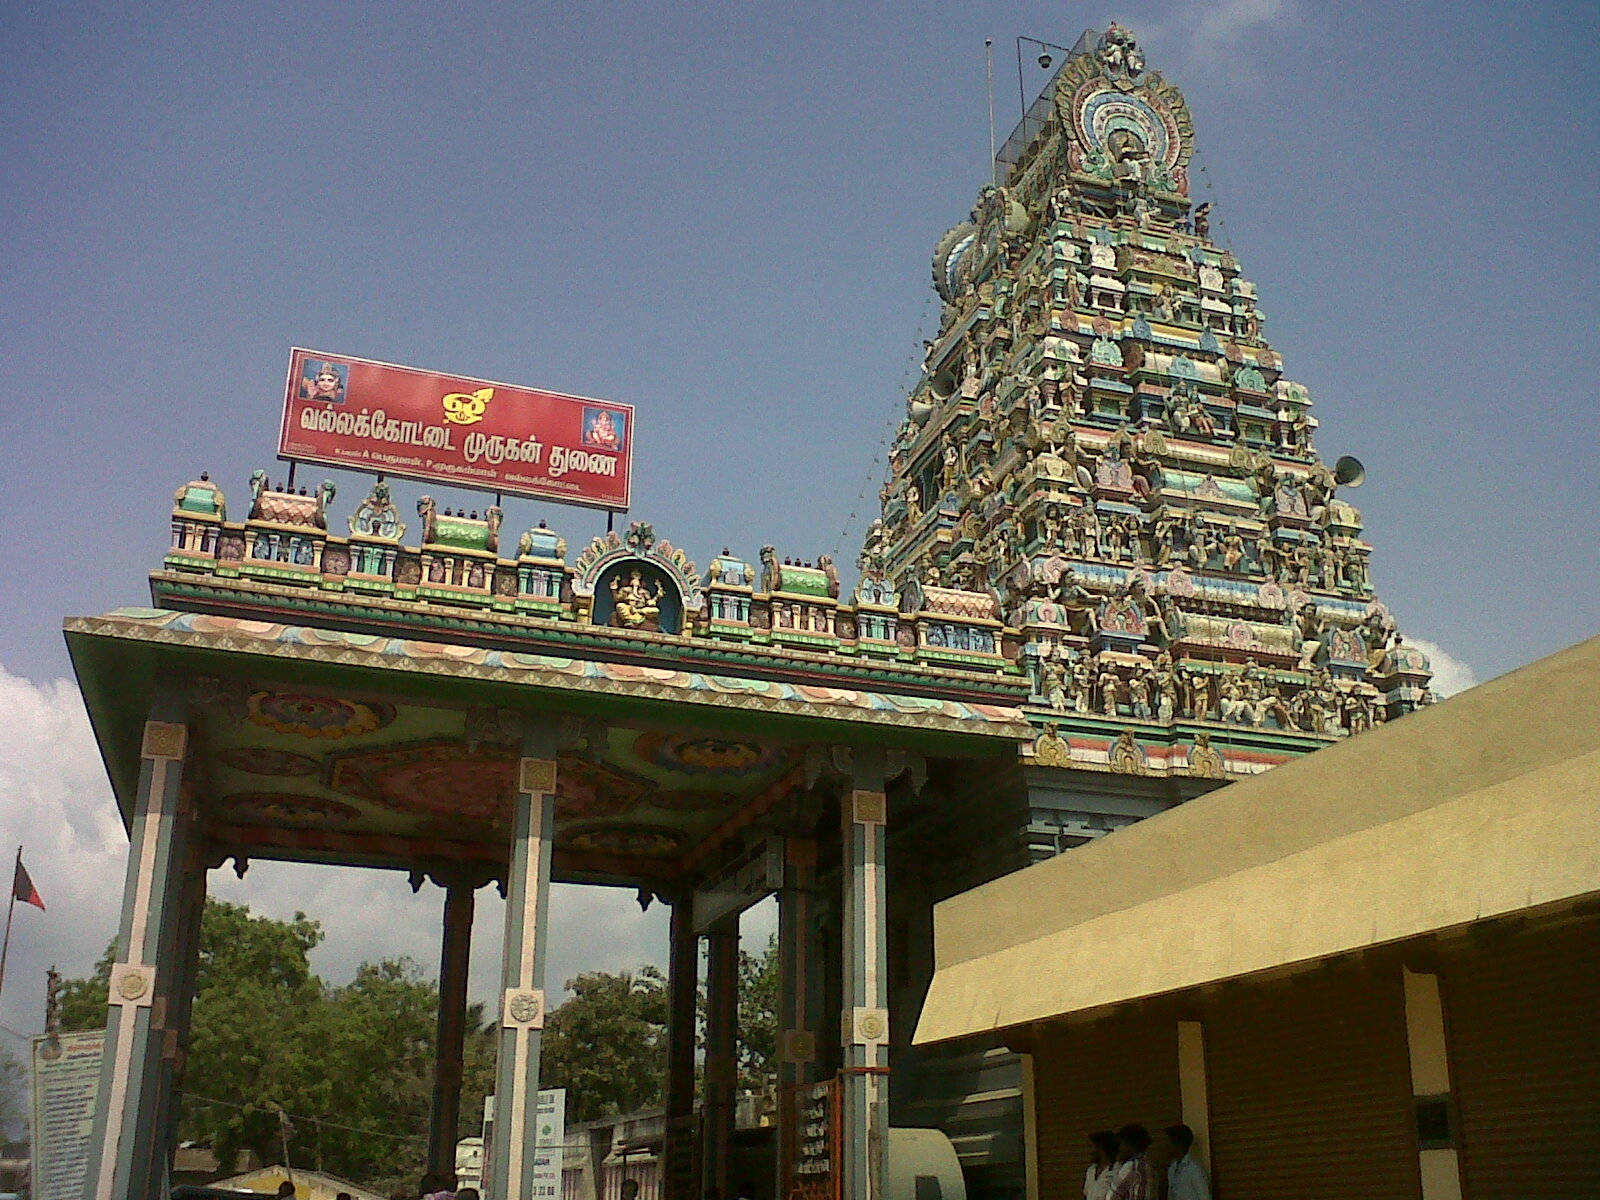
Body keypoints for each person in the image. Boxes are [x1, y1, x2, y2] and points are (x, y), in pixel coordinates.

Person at [1108, 1124, 1155, 1200]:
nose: (1119, 1148)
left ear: (1130, 1144)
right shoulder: (1149, 1166)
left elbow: (1112, 1195)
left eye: (1122, 1144)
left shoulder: (1131, 1167)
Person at [1165, 1124, 1211, 1200]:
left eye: (1170, 1141)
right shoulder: (1172, 1169)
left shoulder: (1194, 1170)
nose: (1167, 1145)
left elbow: (1204, 1197)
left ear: (1178, 1143)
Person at [1084, 1130, 1121, 1200]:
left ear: (1101, 1149)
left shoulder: (1118, 1170)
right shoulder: (1091, 1171)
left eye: (1091, 1147)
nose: (1089, 1152)